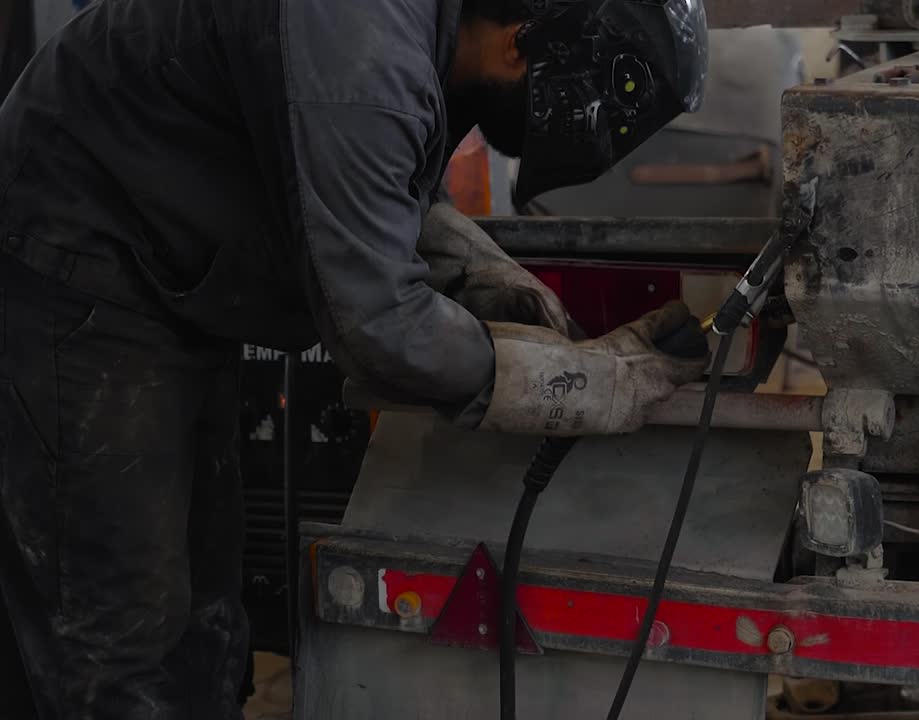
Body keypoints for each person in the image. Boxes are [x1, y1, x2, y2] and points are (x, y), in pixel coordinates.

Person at [0, 0, 710, 715]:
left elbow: (375, 171)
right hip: (75, 262)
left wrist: (481, 273)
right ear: (519, 44)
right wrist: (584, 387)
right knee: (120, 635)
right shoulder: (361, 38)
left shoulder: (420, 33)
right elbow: (378, 326)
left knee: (204, 617)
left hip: (171, 274)